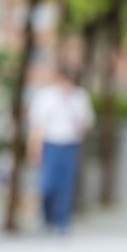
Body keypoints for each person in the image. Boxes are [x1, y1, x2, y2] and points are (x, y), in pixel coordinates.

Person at [27, 67, 95, 235]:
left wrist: (81, 125)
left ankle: (63, 222)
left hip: (70, 144)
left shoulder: (80, 97)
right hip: (50, 144)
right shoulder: (46, 97)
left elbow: (87, 123)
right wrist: (34, 148)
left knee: (66, 186)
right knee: (47, 185)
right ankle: (47, 217)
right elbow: (37, 125)